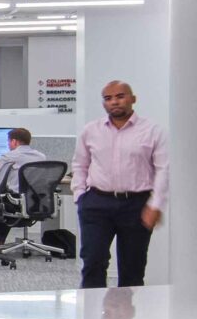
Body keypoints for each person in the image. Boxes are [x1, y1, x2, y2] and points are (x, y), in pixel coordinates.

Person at [72, 81, 169, 289]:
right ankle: (91, 309)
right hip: (96, 203)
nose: (114, 102)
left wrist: (156, 204)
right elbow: (80, 164)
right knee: (93, 262)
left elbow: (163, 169)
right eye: (108, 98)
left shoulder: (152, 131)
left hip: (136, 204)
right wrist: (80, 195)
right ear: (104, 103)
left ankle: (129, 311)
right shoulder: (91, 130)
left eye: (120, 96)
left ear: (133, 99)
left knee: (132, 267)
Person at [0, 126, 47, 248]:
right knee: (1, 200)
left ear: (14, 141)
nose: (9, 144)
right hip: (37, 202)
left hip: (15, 203)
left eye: (9, 141)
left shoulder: (9, 156)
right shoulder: (41, 157)